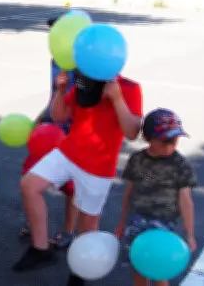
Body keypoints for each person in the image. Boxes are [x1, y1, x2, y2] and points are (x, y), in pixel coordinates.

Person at [13, 69, 143, 280]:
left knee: (88, 224)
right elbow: (60, 116)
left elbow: (132, 132)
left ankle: (79, 271)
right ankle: (40, 249)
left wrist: (117, 98)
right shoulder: (84, 79)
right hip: (68, 151)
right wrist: (61, 90)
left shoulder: (129, 87)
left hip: (98, 166)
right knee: (29, 185)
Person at [115, 108, 198, 286]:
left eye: (174, 140)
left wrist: (189, 234)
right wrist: (122, 222)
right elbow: (129, 191)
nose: (170, 146)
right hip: (136, 221)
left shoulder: (180, 165)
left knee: (159, 269)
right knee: (138, 265)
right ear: (148, 138)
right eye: (164, 141)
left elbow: (186, 202)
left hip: (163, 225)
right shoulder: (137, 159)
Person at [18, 15, 78, 248]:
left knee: (71, 187)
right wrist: (42, 116)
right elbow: (55, 95)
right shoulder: (56, 60)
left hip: (73, 133)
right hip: (51, 128)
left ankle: (68, 231)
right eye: (51, 31)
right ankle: (37, 227)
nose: (52, 36)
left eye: (57, 31)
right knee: (30, 176)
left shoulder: (83, 65)